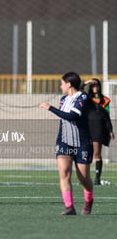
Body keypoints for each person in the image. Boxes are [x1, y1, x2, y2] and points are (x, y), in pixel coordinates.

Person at [39, 71, 94, 215]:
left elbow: (72, 116)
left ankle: (89, 200)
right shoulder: (63, 99)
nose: (60, 86)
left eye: (62, 83)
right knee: (64, 173)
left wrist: (49, 108)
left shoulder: (83, 97)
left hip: (82, 142)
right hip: (64, 141)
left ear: (69, 84)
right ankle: (69, 206)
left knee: (83, 178)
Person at [84, 78, 114, 185]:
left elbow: (107, 116)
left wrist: (110, 130)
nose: (95, 88)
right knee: (85, 154)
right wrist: (86, 83)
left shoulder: (105, 100)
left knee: (97, 154)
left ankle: (97, 179)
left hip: (99, 129)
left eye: (96, 85)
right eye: (93, 86)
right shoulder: (87, 99)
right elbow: (78, 91)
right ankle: (84, 178)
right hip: (87, 129)